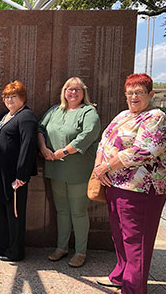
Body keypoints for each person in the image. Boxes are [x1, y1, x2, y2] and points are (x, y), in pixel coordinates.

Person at [93, 73, 166, 293]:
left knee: (136, 242)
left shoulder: (155, 116)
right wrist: (99, 167)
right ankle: (121, 275)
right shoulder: (123, 115)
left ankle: (134, 288)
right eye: (130, 93)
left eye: (139, 92)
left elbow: (144, 150)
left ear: (151, 94)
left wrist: (106, 167)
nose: (134, 97)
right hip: (115, 185)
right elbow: (103, 141)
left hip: (141, 189)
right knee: (119, 236)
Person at [38, 77, 101, 268]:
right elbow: (40, 127)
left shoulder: (88, 111)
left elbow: (88, 134)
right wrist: (42, 148)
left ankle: (80, 252)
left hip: (77, 171)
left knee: (78, 212)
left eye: (77, 90)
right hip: (55, 167)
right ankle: (61, 247)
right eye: (69, 89)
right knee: (62, 210)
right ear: (64, 91)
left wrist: (64, 152)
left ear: (84, 92)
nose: (73, 93)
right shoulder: (56, 110)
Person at [0, 80, 37, 262]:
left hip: (14, 176)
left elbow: (27, 145)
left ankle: (16, 251)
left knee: (14, 213)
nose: (9, 100)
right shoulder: (5, 116)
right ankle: (4, 247)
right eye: (6, 96)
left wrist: (22, 175)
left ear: (22, 98)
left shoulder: (26, 117)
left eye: (13, 96)